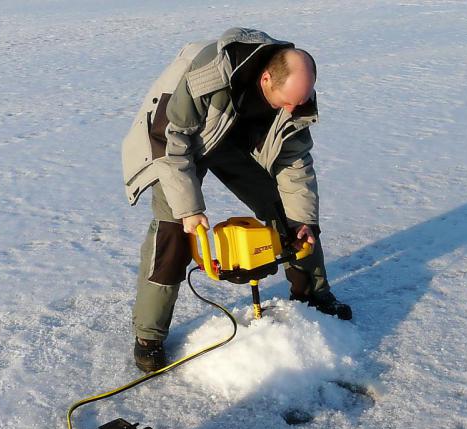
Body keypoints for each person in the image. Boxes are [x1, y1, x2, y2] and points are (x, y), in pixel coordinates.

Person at [121, 27, 351, 372]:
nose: (293, 109)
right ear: (266, 78)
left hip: (233, 141)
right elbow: (175, 143)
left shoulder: (296, 98)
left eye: (299, 102)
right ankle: (148, 336)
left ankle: (312, 293)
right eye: (287, 101)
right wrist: (190, 210)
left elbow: (295, 161)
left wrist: (304, 219)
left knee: (290, 216)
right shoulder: (207, 78)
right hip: (178, 142)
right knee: (173, 233)